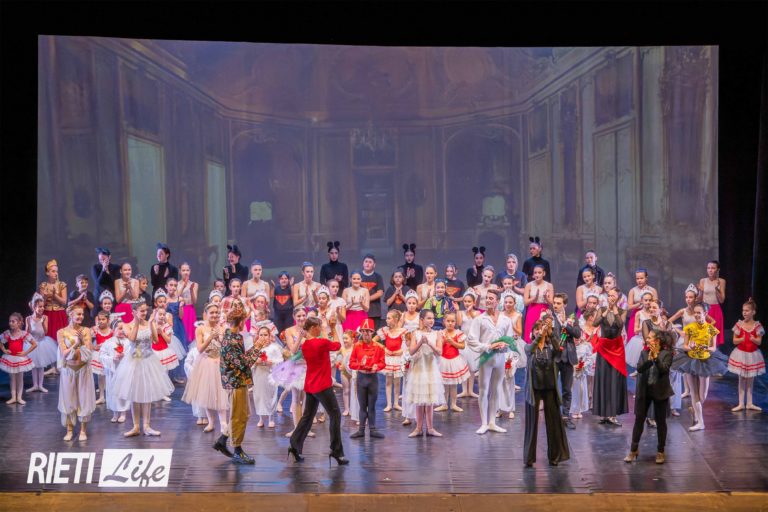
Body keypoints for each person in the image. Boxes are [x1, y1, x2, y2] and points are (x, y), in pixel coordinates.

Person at [288, 316, 348, 465]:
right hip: (322, 385)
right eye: (320, 326)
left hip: (311, 385)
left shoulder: (306, 345)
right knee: (335, 415)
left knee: (308, 417)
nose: (321, 329)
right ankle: (336, 451)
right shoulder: (320, 343)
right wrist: (333, 328)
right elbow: (337, 345)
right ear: (314, 328)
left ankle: (294, 445)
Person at [214, 298, 263, 464]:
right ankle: (237, 450)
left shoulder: (236, 337)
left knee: (243, 414)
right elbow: (243, 363)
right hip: (235, 382)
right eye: (244, 321)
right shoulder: (231, 340)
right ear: (241, 322)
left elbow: (241, 359)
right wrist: (257, 347)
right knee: (238, 416)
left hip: (239, 380)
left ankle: (222, 440)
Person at [114, 302, 174, 437]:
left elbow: (156, 340)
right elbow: (132, 339)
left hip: (148, 360)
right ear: (134, 312)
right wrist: (136, 322)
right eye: (141, 311)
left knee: (147, 393)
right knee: (134, 395)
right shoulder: (127, 325)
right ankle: (136, 426)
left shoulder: (149, 323)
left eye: (145, 311)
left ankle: (147, 426)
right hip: (134, 361)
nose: (144, 313)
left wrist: (151, 324)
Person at [672, 303, 729, 431]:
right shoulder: (690, 328)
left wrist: (706, 347)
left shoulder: (711, 329)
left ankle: (695, 411)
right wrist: (690, 347)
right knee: (694, 393)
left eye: (699, 313)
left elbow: (713, 348)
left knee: (702, 396)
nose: (697, 315)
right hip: (690, 360)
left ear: (705, 313)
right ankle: (700, 422)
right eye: (695, 313)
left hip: (705, 361)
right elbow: (685, 346)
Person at [523, 318, 570, 467]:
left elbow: (559, 349)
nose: (539, 331)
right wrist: (540, 335)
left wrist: (551, 332)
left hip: (550, 387)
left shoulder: (551, 347)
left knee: (553, 422)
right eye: (536, 329)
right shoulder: (529, 347)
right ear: (532, 332)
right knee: (532, 423)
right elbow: (530, 349)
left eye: (541, 328)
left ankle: (554, 456)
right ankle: (529, 458)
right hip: (534, 389)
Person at [624, 329, 674, 465]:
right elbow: (640, 368)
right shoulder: (644, 353)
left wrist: (656, 358)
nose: (647, 339)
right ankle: (633, 450)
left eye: (650, 338)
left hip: (660, 391)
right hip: (644, 391)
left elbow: (664, 369)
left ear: (657, 340)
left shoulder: (667, 354)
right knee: (639, 419)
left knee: (661, 422)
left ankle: (660, 451)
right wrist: (650, 359)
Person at [467, 289, 514, 435]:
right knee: (483, 389)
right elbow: (471, 340)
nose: (488, 300)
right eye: (487, 298)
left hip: (500, 358)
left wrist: (504, 345)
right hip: (486, 358)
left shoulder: (505, 320)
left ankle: (492, 422)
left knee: (496, 389)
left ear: (497, 301)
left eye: (491, 298)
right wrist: (487, 346)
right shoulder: (479, 319)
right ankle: (484, 423)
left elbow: (509, 338)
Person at [182, 302, 230, 435]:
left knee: (221, 393)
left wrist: (220, 339)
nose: (214, 315)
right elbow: (200, 349)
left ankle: (223, 423)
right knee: (207, 393)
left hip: (219, 362)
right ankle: (211, 422)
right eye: (212, 313)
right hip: (206, 362)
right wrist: (211, 337)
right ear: (206, 314)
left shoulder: (223, 328)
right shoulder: (201, 329)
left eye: (217, 313)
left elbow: (227, 348)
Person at [55, 305, 94, 440]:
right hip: (69, 370)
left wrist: (82, 341)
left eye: (82, 314)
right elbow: (64, 353)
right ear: (70, 315)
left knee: (84, 399)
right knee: (68, 399)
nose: (81, 317)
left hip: (83, 369)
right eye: (78, 314)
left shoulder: (86, 330)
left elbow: (88, 351)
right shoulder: (61, 332)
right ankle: (69, 430)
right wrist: (76, 344)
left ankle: (83, 430)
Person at [592, 288, 629, 426]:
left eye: (614, 296)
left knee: (614, 380)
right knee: (603, 379)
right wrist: (607, 310)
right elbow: (595, 323)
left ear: (618, 298)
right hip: (604, 348)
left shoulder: (622, 311)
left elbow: (620, 324)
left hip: (616, 349)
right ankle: (604, 413)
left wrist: (614, 309)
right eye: (610, 295)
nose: (611, 298)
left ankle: (613, 414)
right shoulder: (601, 309)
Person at [405, 309, 445, 438]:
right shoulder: (415, 333)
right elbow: (411, 351)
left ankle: (430, 428)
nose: (431, 320)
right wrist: (420, 343)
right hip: (419, 370)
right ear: (422, 320)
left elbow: (439, 352)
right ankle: (418, 428)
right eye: (428, 318)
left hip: (431, 370)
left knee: (429, 402)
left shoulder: (437, 334)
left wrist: (429, 343)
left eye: (432, 318)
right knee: (419, 401)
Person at [348, 318, 386, 439]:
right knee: (362, 406)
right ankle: (361, 430)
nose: (366, 333)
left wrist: (377, 367)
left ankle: (373, 429)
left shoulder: (379, 347)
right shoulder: (357, 346)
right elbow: (351, 363)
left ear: (373, 332)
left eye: (368, 331)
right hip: (361, 378)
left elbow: (383, 362)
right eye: (364, 331)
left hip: (372, 378)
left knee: (372, 405)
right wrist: (360, 365)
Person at [729, 298, 765, 411]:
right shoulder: (739, 325)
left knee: (750, 380)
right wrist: (741, 339)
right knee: (742, 379)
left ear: (753, 312)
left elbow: (759, 342)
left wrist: (754, 339)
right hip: (741, 354)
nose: (744, 312)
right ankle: (741, 403)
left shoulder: (757, 326)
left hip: (752, 355)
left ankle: (749, 403)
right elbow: (734, 341)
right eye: (743, 310)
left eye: (747, 310)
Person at [551, 293, 581, 429]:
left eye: (558, 303)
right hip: (554, 356)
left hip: (568, 356)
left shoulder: (572, 318)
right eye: (554, 303)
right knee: (551, 388)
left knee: (567, 389)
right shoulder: (548, 317)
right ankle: (552, 416)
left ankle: (565, 416)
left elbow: (577, 334)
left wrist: (565, 324)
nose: (555, 305)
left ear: (565, 305)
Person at [436, 311, 470, 413]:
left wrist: (452, 342)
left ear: (455, 322)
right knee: (444, 385)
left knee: (454, 385)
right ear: (444, 321)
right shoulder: (440, 333)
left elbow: (462, 346)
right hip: (443, 361)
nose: (450, 323)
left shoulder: (458, 333)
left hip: (455, 360)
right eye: (448, 321)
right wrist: (444, 341)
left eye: (452, 321)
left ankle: (454, 404)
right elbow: (438, 347)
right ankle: (444, 404)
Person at [251, 325, 284, 428]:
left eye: (265, 335)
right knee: (259, 396)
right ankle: (261, 418)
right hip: (258, 374)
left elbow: (280, 360)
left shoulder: (274, 347)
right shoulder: (255, 348)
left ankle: (271, 418)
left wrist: (271, 362)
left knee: (271, 395)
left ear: (270, 336)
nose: (263, 337)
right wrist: (255, 361)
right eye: (261, 335)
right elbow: (249, 361)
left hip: (270, 374)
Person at [1, 312, 37, 405]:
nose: (11, 323)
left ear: (19, 322)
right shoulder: (8, 333)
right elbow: (0, 341)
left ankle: (19, 397)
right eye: (10, 321)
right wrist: (4, 350)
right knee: (12, 378)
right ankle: (13, 397)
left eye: (13, 321)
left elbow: (34, 344)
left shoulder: (23, 334)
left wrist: (25, 352)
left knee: (20, 378)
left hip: (20, 359)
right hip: (10, 358)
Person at [25, 293, 58, 392]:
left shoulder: (45, 317)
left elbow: (46, 332)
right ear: (34, 307)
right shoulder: (29, 318)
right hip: (33, 344)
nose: (42, 308)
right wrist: (28, 324)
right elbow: (27, 333)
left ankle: (40, 385)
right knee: (34, 365)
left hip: (43, 343)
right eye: (39, 306)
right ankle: (35, 385)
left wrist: (43, 323)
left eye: (43, 306)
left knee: (41, 365)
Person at [375, 309, 405, 412]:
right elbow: (374, 341)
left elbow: (408, 344)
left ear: (396, 319)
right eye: (387, 318)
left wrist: (401, 351)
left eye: (389, 318)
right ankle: (389, 404)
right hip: (388, 359)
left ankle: (396, 403)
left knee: (397, 382)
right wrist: (384, 349)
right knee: (388, 382)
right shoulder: (385, 331)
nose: (386, 320)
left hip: (398, 359)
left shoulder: (402, 331)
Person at [99, 320, 129, 423]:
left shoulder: (128, 342)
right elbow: (102, 355)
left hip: (124, 371)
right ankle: (115, 412)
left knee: (123, 390)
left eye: (123, 329)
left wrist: (125, 356)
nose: (122, 331)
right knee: (113, 391)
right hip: (113, 371)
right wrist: (112, 358)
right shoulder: (108, 342)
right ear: (113, 329)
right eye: (119, 328)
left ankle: (123, 412)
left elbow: (134, 354)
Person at [457, 290, 481, 398]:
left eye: (469, 301)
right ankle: (464, 390)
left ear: (474, 302)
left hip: (472, 342)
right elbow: (459, 324)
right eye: (465, 301)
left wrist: (470, 312)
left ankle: (470, 390)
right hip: (463, 341)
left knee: (471, 367)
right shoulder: (460, 313)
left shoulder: (477, 313)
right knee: (463, 366)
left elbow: (477, 323)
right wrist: (458, 311)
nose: (467, 303)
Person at [698, 260, 726, 346]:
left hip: (716, 310)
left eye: (713, 268)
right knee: (704, 336)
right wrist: (701, 291)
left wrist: (717, 289)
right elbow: (699, 300)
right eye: (708, 268)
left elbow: (722, 300)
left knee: (714, 338)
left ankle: (714, 352)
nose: (710, 270)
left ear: (718, 270)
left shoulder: (721, 281)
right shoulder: (703, 280)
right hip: (705, 310)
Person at [523, 265, 554, 343]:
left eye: (539, 272)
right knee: (531, 333)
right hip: (532, 311)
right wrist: (534, 298)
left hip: (544, 311)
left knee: (543, 332)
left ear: (544, 273)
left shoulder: (549, 285)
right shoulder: (529, 285)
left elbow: (551, 302)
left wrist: (545, 297)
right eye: (535, 273)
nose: (537, 274)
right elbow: (525, 302)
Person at [40, 259, 68, 340]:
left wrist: (54, 295)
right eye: (53, 271)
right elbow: (41, 304)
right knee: (47, 335)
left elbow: (64, 302)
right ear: (47, 273)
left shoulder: (62, 285)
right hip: (47, 314)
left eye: (56, 271)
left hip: (59, 314)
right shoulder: (43, 285)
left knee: (60, 336)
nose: (56, 273)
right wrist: (45, 297)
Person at [626, 269, 658, 340]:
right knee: (633, 336)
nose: (639, 280)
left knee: (650, 337)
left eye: (641, 278)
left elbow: (656, 305)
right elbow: (629, 307)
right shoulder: (633, 290)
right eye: (637, 278)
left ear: (646, 278)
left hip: (649, 314)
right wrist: (640, 302)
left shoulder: (652, 290)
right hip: (636, 314)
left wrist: (648, 300)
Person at [360, 254, 385, 330]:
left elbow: (380, 293)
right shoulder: (358, 276)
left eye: (370, 262)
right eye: (366, 261)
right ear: (363, 263)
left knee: (373, 332)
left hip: (374, 311)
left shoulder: (378, 276)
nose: (367, 264)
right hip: (360, 310)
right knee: (361, 332)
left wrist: (367, 299)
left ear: (374, 265)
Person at [177, 262, 199, 343]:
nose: (186, 272)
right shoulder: (176, 284)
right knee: (183, 334)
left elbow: (194, 301)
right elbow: (176, 298)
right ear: (180, 271)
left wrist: (191, 290)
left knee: (191, 334)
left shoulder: (194, 284)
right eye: (183, 270)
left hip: (190, 311)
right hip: (181, 310)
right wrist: (183, 286)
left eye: (187, 270)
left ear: (190, 271)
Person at [272, 271, 295, 335]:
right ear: (279, 280)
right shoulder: (276, 288)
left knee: (288, 331)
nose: (284, 280)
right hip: (278, 314)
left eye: (285, 278)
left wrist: (291, 285)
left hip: (289, 314)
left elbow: (294, 296)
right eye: (282, 279)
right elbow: (271, 296)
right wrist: (273, 287)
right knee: (277, 331)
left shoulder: (290, 288)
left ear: (288, 280)